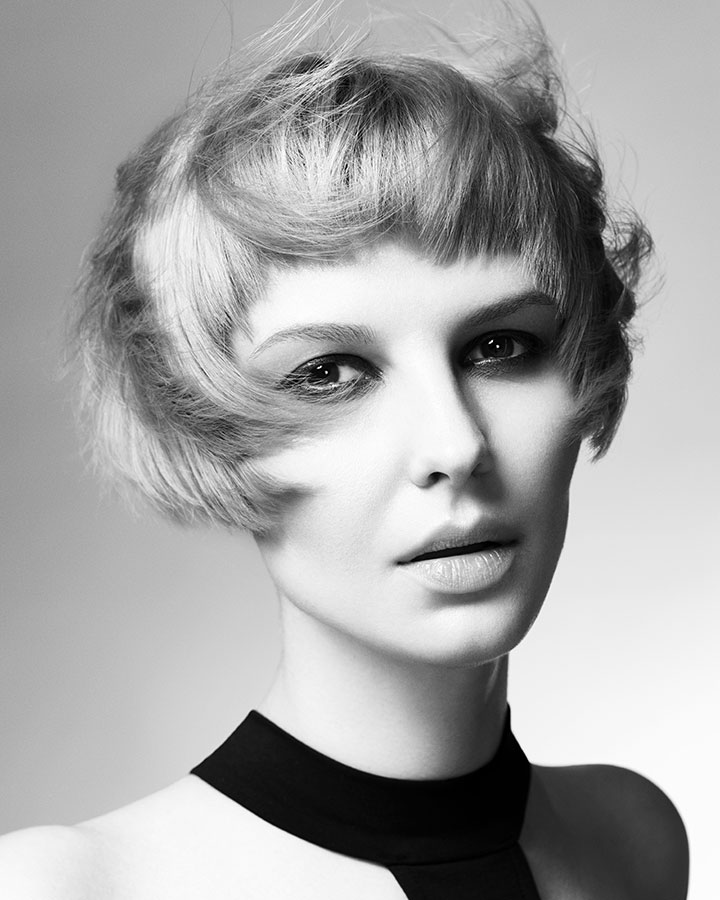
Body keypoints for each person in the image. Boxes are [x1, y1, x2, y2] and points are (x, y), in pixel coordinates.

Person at [0, 5, 689, 898]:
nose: (454, 446)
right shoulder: (68, 888)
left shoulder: (634, 842)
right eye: (328, 373)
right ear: (200, 431)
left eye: (500, 347)